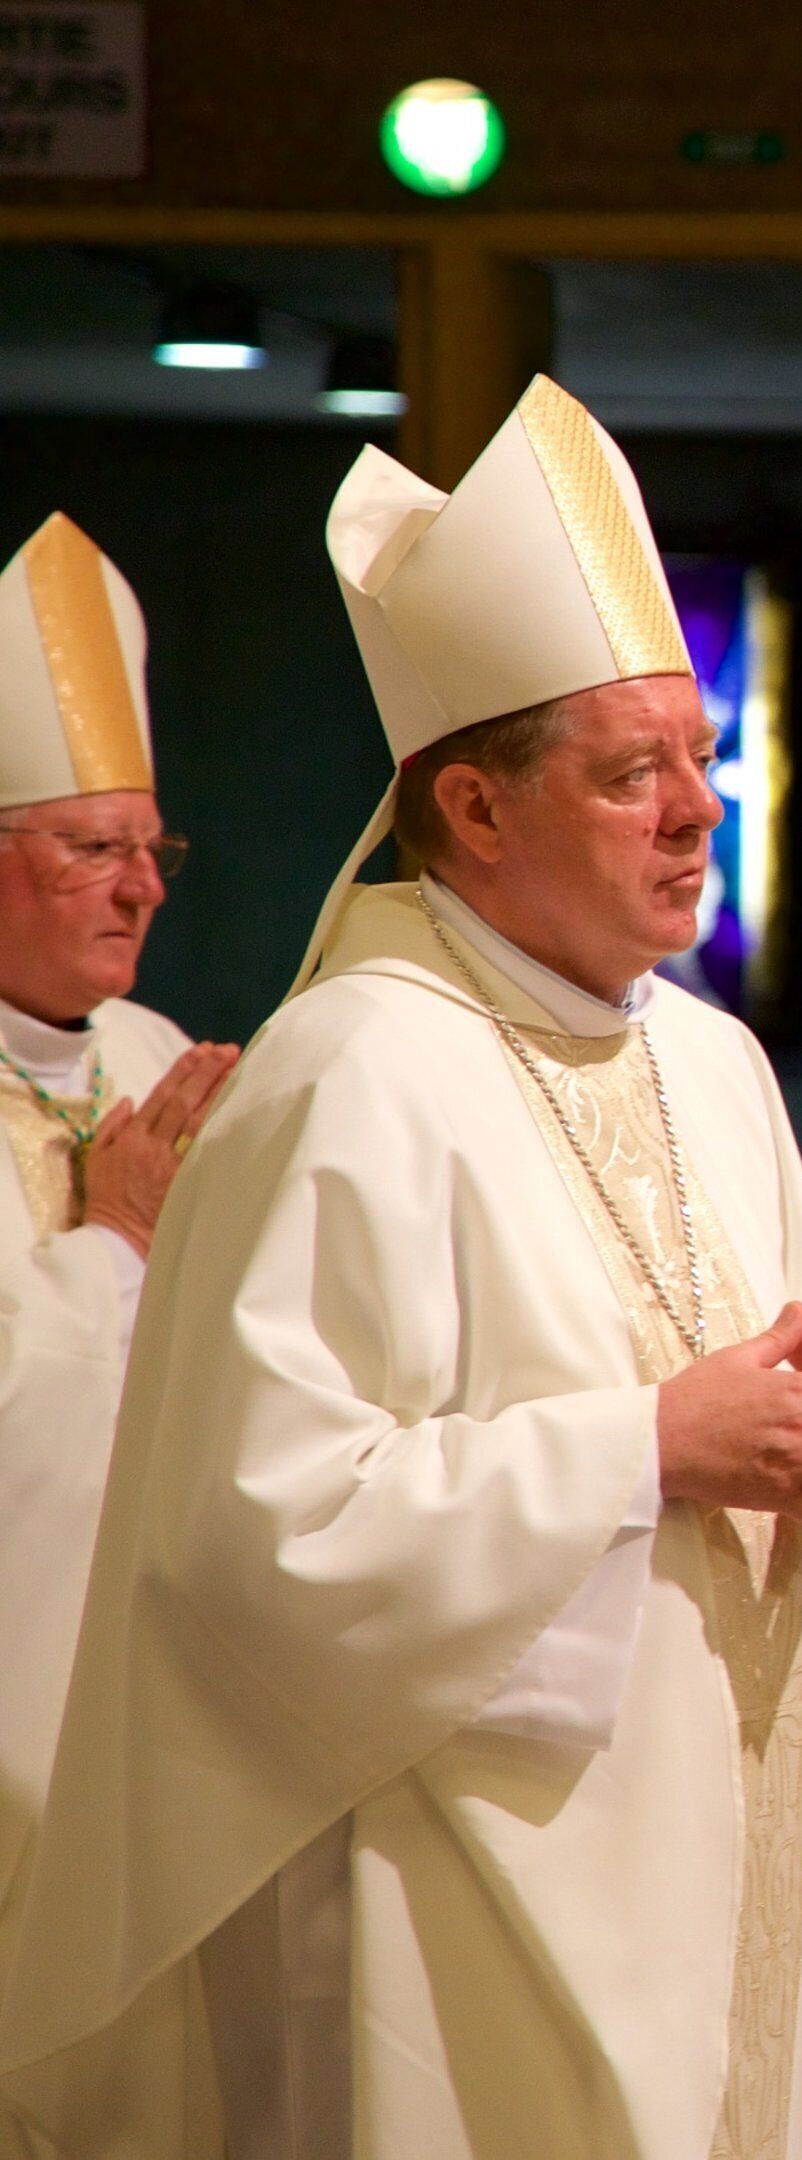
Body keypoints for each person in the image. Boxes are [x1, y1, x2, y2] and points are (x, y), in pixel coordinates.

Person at [0, 377, 802, 2160]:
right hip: (474, 1854)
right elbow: (260, 1527)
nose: (698, 807)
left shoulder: (712, 1062)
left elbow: (783, 1367)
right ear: (478, 804)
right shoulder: (353, 1070)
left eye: (697, 757)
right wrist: (647, 1450)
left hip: (743, 1795)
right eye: (632, 774)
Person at [0, 513, 233, 2157]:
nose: (143, 886)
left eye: (155, 848)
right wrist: (117, 1246)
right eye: (93, 847)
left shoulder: (154, 1052)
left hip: (163, 1687)